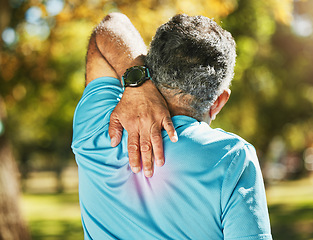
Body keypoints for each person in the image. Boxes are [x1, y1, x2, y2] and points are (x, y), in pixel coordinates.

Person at [71, 12, 272, 240]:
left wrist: (138, 81)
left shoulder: (99, 127)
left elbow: (109, 27)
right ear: (219, 101)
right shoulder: (233, 159)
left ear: (153, 71)